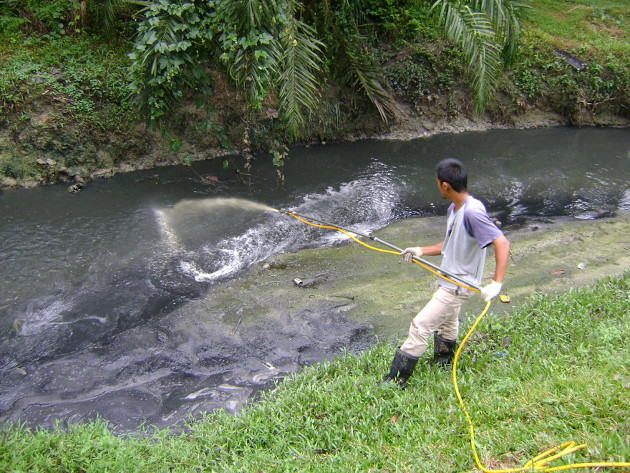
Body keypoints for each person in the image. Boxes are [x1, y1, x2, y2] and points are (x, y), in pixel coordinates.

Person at [383, 158, 510, 389]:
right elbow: (449, 244)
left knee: (420, 326)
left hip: (458, 286)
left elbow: (502, 243)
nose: (437, 185)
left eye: (437, 182)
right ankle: (443, 362)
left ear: (445, 186)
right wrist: (420, 250)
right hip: (447, 279)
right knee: (449, 322)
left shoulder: (473, 212)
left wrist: (496, 283)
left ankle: (394, 382)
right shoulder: (455, 208)